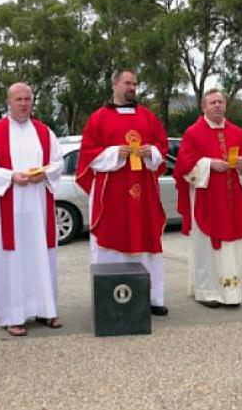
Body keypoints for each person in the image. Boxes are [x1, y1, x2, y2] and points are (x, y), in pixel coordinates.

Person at [76, 69, 170, 316]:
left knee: (147, 238)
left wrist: (153, 153)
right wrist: (114, 153)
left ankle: (152, 298)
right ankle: (109, 298)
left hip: (144, 194)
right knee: (111, 237)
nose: (132, 87)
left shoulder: (148, 117)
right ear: (115, 84)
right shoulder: (98, 118)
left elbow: (162, 146)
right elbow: (87, 154)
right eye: (128, 83)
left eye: (135, 84)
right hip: (112, 195)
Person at [0, 83, 64, 336]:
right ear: (9, 102)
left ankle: (46, 309)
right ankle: (13, 315)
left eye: (28, 99)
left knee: (42, 257)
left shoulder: (44, 132)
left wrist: (43, 174)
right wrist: (11, 176)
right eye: (19, 99)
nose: (24, 103)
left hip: (39, 206)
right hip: (11, 208)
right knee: (13, 261)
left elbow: (58, 163)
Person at [174, 89, 242, 308]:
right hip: (206, 200)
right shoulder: (193, 133)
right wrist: (209, 164)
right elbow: (183, 167)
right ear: (204, 107)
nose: (217, 105)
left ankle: (231, 292)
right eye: (212, 102)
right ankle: (207, 292)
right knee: (206, 247)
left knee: (231, 247)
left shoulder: (238, 132)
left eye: (220, 101)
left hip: (231, 201)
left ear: (225, 105)